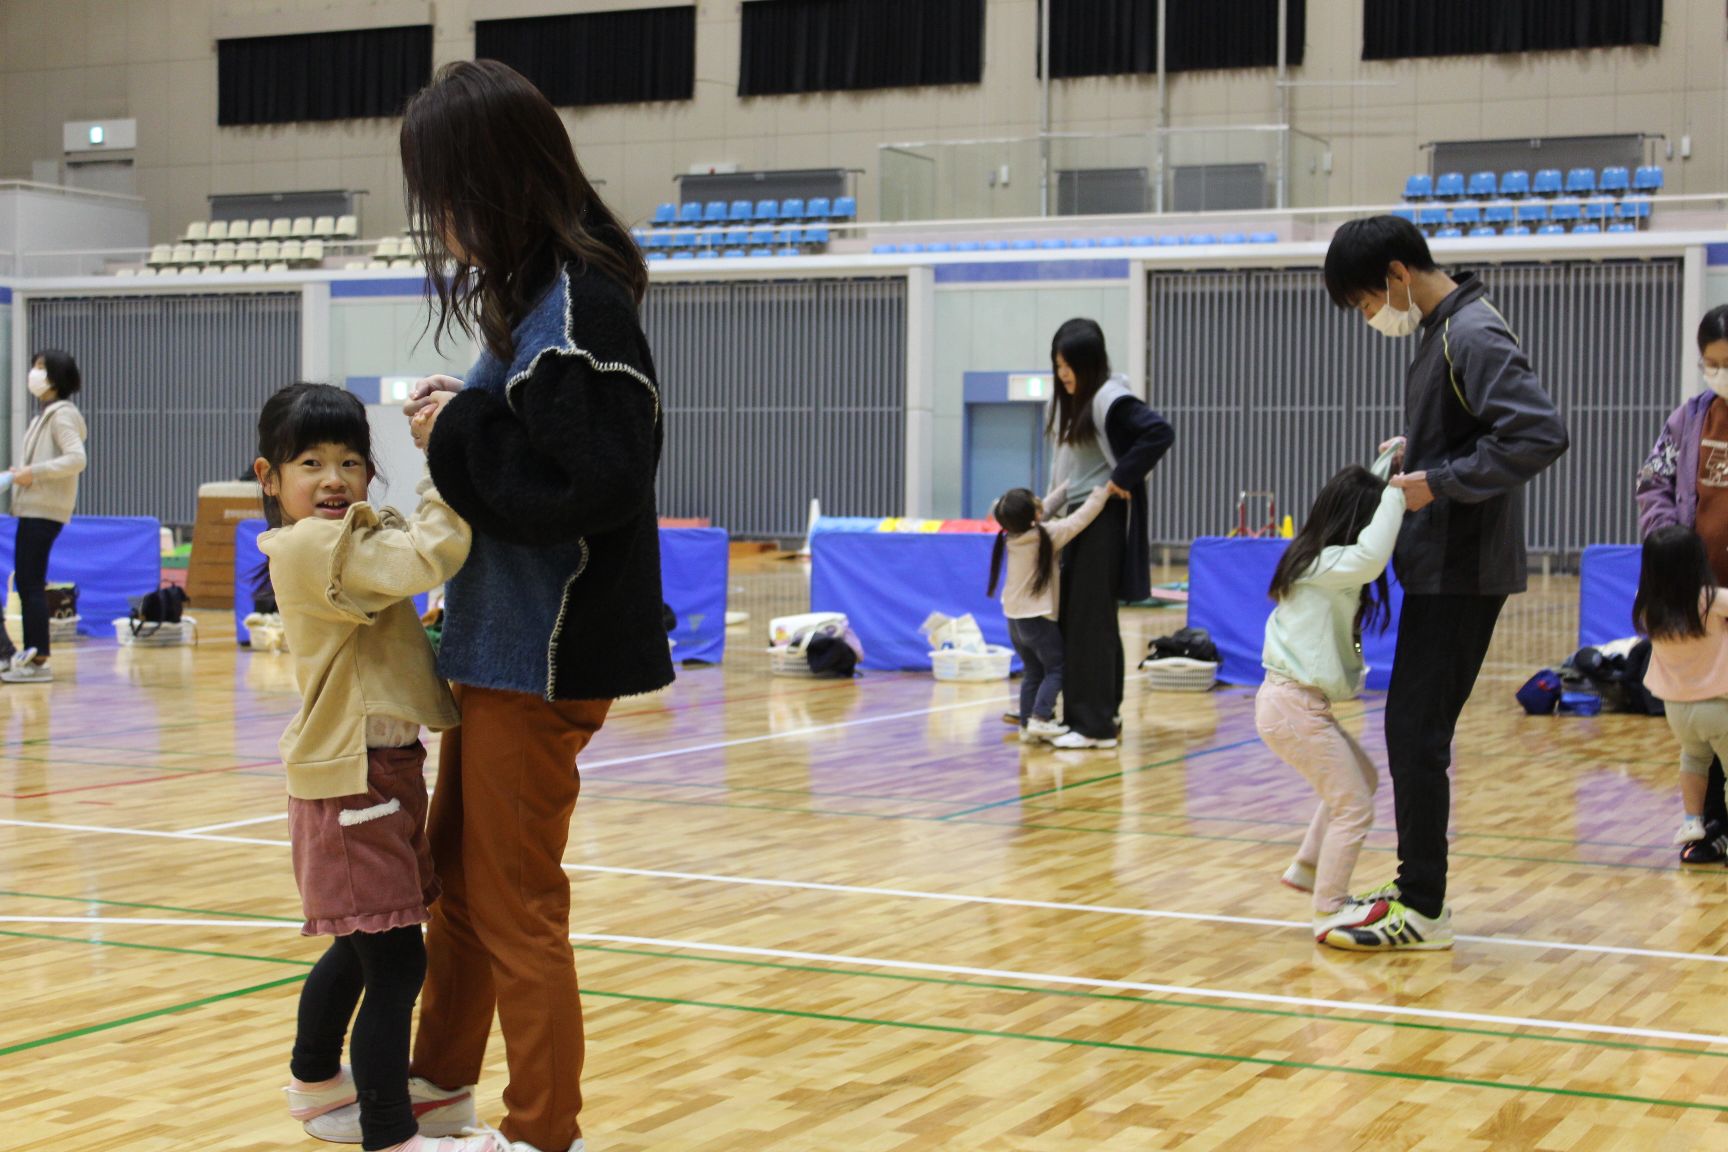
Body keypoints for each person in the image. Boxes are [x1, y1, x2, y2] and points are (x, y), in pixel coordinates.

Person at [390, 59, 675, 1152]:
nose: (441, 221)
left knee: (513, 908)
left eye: (448, 194)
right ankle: (435, 1088)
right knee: (457, 889)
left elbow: (592, 487)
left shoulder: (576, 308)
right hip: (501, 649)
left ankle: (543, 1130)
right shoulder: (541, 300)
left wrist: (450, 430)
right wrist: (461, 420)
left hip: (541, 660)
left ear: (495, 183)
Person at [254, 384, 505, 1152]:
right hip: (352, 778)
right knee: (397, 961)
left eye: (351, 461)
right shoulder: (310, 543)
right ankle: (390, 1133)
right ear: (270, 477)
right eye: (310, 463)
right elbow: (427, 554)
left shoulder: (341, 537)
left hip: (381, 770)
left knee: (361, 945)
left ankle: (317, 1087)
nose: (333, 478)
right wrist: (445, 462)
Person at [1321, 215, 1568, 951]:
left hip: (1463, 570)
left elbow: (1538, 433)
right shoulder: (1442, 331)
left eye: (1366, 302)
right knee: (1411, 730)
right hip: (1441, 565)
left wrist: (1444, 480)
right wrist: (1418, 451)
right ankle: (1415, 888)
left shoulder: (1472, 333)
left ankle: (1424, 909)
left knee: (1416, 734)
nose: (1371, 318)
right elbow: (1472, 431)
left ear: (1397, 274)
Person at [1257, 464, 1404, 943]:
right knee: (1354, 807)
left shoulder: (1317, 557)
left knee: (1361, 781)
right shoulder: (1326, 563)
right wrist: (1398, 494)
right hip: (1291, 705)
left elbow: (1363, 497)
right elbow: (1373, 557)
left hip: (1296, 704)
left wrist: (1391, 467)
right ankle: (1329, 908)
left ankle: (1307, 867)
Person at [1042, 318, 1175, 750]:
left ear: (1089, 363)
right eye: (1058, 365)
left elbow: (1159, 432)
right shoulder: (1073, 403)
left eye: (1069, 365)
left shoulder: (1108, 396)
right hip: (1078, 520)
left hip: (1101, 519)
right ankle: (1098, 716)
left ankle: (1093, 726)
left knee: (1089, 623)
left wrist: (1123, 476)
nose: (1062, 373)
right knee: (1085, 621)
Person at [1636, 304, 1728, 862]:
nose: (1720, 373)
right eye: (1711, 363)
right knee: (1705, 726)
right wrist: (1673, 551)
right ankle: (1709, 827)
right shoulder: (1689, 419)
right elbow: (1654, 483)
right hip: (1703, 598)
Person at [987, 482, 1113, 743]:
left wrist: (1070, 484)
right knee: (1057, 668)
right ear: (1034, 515)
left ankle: (1025, 725)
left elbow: (1042, 508)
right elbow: (1080, 519)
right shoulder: (1046, 535)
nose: (1040, 503)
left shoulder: (1011, 535)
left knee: (1033, 671)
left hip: (1014, 618)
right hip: (1038, 619)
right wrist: (1101, 492)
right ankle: (1041, 718)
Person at [1634, 525, 1728, 853]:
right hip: (1719, 705)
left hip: (1677, 708)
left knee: (1693, 759)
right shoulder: (1708, 599)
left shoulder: (1648, 607)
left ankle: (1692, 819)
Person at [0, 350, 88, 683]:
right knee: (26, 581)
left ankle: (38, 658)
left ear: (55, 376)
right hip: (32, 508)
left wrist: (32, 473)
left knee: (30, 582)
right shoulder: (44, 415)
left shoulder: (62, 415)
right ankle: (34, 653)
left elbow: (76, 459)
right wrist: (21, 475)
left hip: (43, 510)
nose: (33, 373)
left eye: (40, 367)